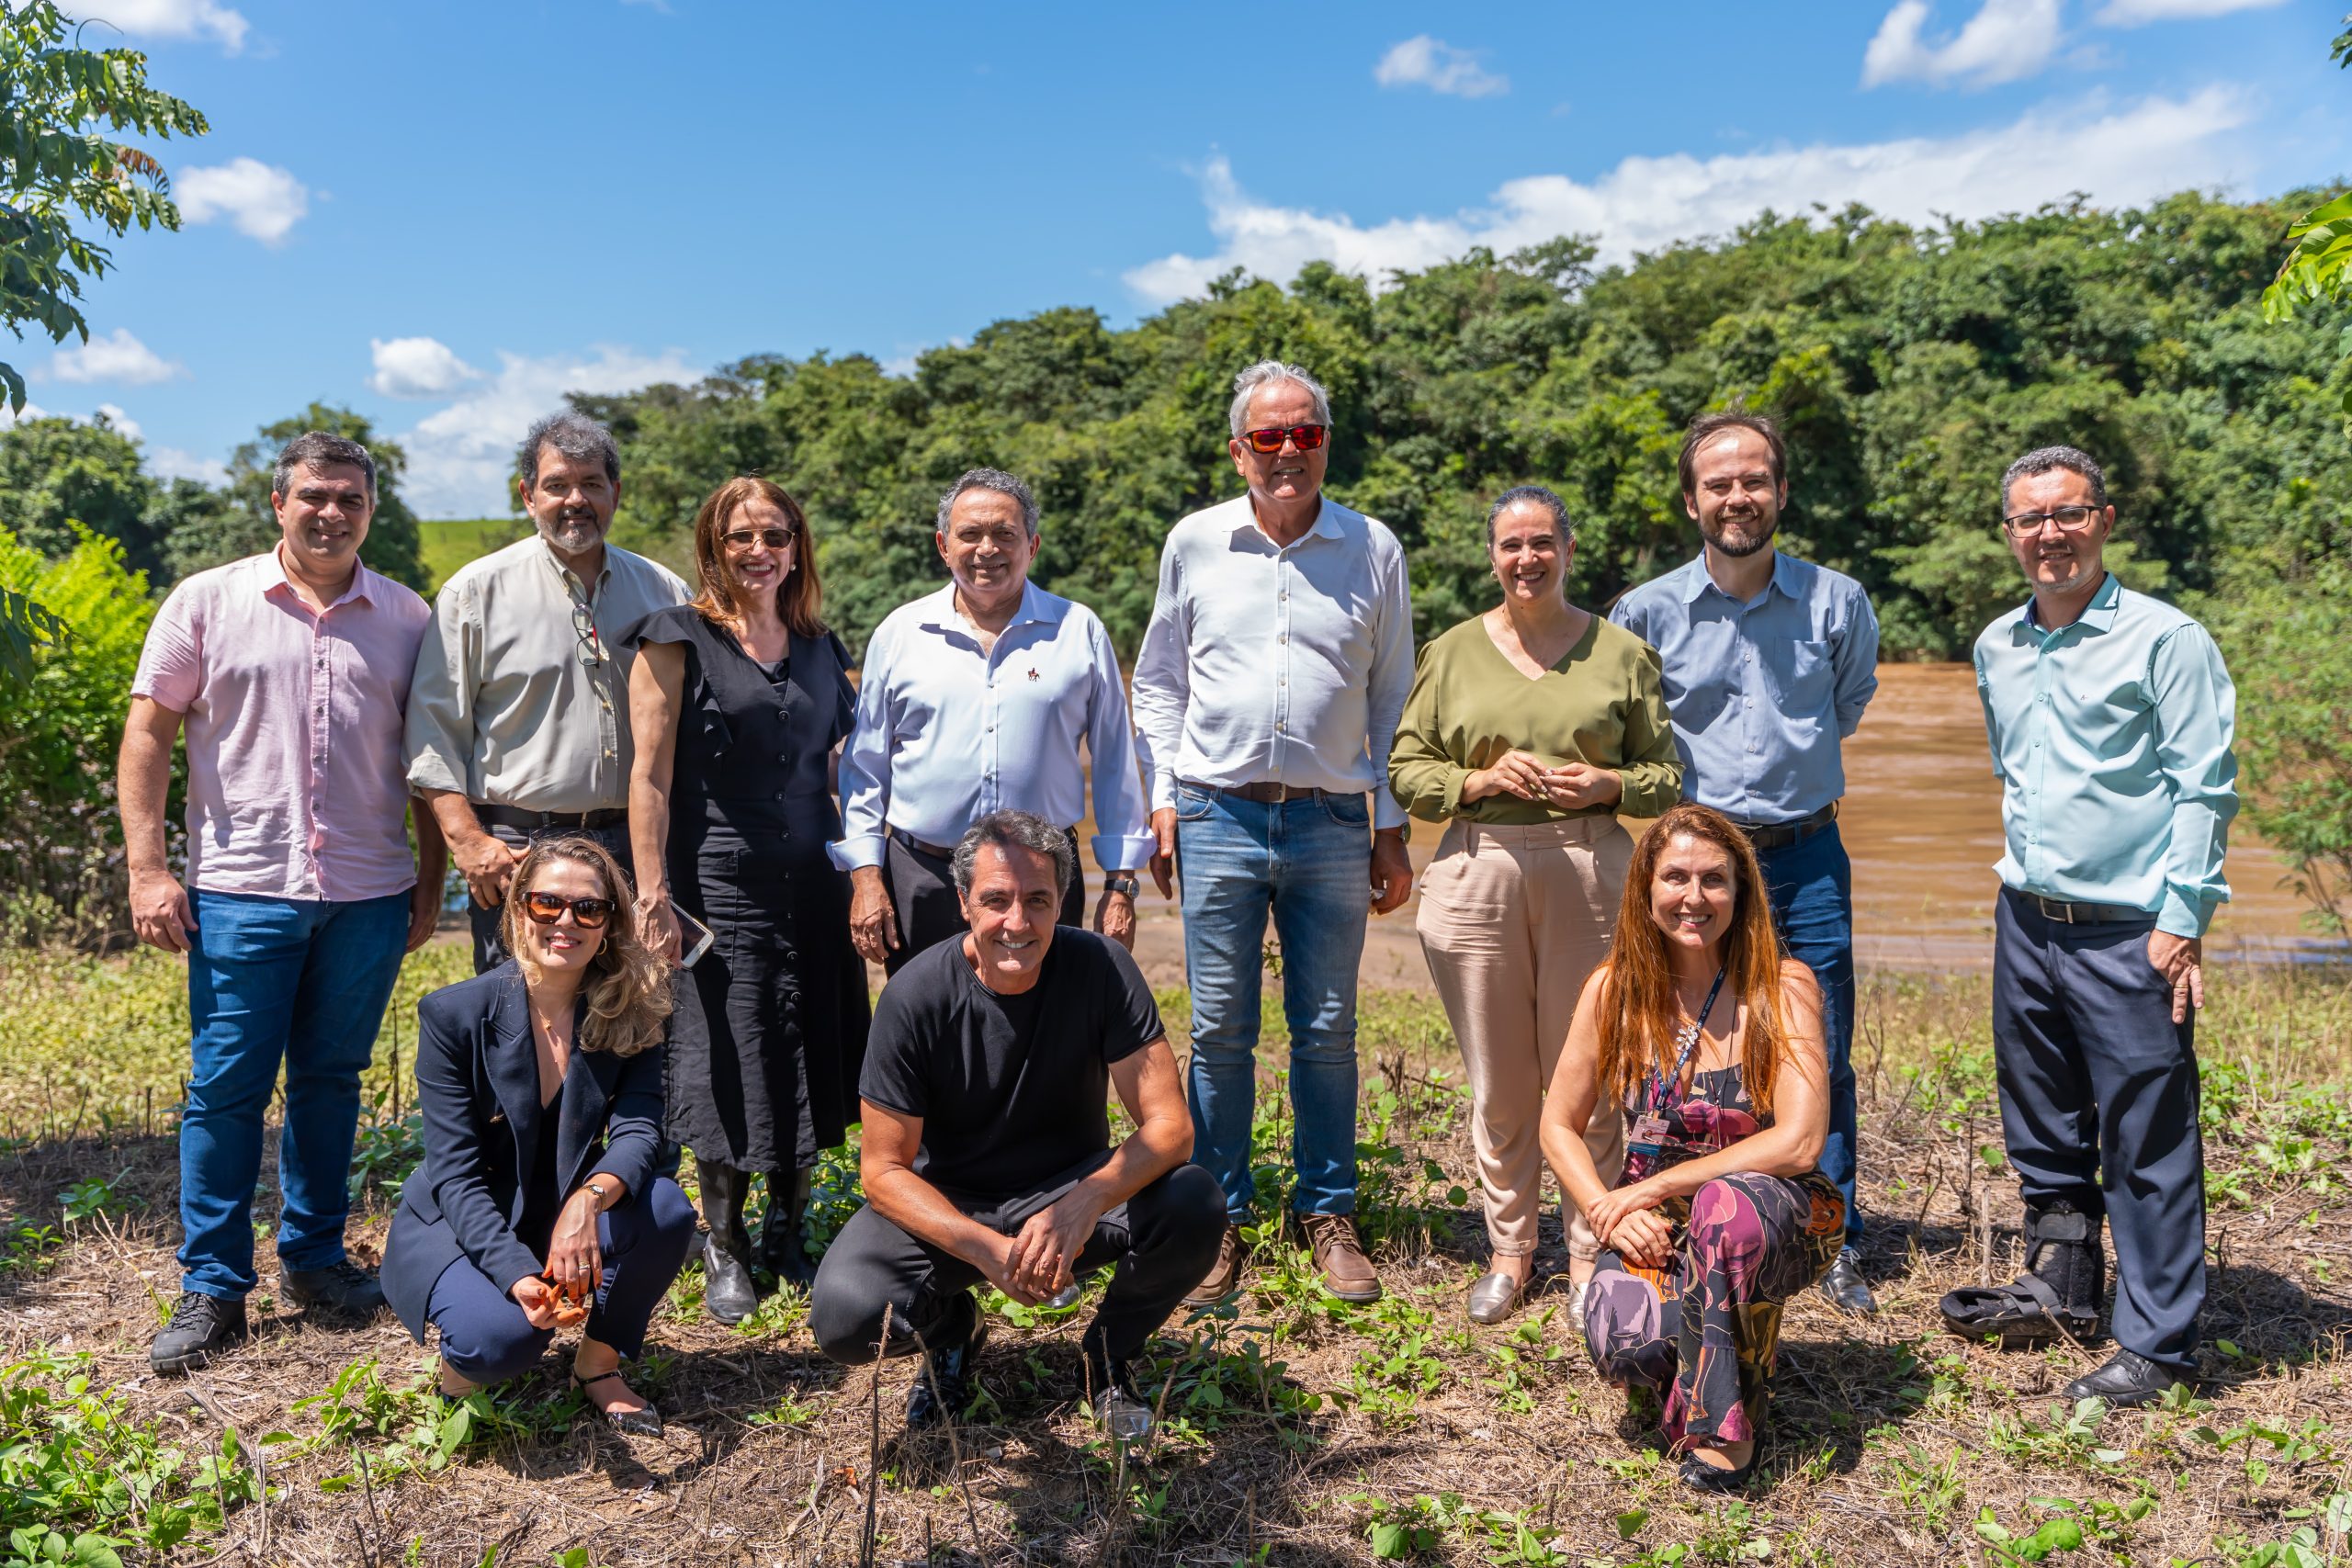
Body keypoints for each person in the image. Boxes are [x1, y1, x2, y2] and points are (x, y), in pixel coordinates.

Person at [119, 432, 443, 1375]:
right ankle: (214, 1286)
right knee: (225, 1090)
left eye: (350, 498)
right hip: (242, 890)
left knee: (331, 1082)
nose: (331, 512)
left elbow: (430, 764)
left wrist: (430, 884)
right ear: (279, 503)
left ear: (371, 510)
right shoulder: (208, 601)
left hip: (368, 893)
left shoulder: (408, 616)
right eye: (314, 495)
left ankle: (314, 1257)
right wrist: (148, 870)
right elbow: (148, 736)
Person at [1939, 446, 2238, 1407]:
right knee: (2043, 1118)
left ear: (2104, 520)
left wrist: (2182, 920)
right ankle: (2062, 1283)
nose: (2050, 534)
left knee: (2147, 1136)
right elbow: (2016, 775)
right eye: (2031, 519)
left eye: (2068, 513)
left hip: (2131, 930)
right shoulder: (1997, 644)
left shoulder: (2166, 639)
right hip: (2027, 918)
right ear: (2009, 534)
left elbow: (2204, 788)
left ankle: (2158, 1346)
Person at [1132, 360, 1415, 1308]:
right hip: (1215, 811)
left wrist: (1390, 825)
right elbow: (1159, 682)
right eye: (1269, 436)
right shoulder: (1194, 542)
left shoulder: (1372, 546)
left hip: (1333, 818)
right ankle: (1217, 1214)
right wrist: (1164, 800)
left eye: (1306, 433)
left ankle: (1327, 1210)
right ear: (1238, 449)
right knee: (1219, 1028)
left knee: (1327, 1028)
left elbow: (1392, 696)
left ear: (1326, 442)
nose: (1288, 450)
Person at [808, 811, 1226, 1437]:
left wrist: (1083, 1203)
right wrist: (986, 1250)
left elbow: (1170, 1127)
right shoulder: (914, 995)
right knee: (845, 1315)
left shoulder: (1102, 967)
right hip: (951, 1201)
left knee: (1194, 1202)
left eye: (1037, 900)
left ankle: (1108, 1356)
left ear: (1061, 901)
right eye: (996, 900)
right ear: (963, 902)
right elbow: (883, 1171)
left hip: (1070, 1186)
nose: (1017, 922)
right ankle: (954, 1332)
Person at [1610, 411, 1881, 1316]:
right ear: (1691, 501)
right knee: (1685, 1042)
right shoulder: (1644, 613)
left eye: (1754, 480)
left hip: (1806, 856)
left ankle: (1830, 1234)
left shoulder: (1837, 602)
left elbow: (1846, 705)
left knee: (1822, 1046)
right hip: (1698, 868)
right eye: (1718, 483)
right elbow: (1635, 730)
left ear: (1782, 491)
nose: (1738, 497)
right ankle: (1686, 1209)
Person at [1390, 486, 1682, 1325]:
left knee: (1593, 1076)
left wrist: (1609, 784)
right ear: (1492, 556)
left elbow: (1666, 776)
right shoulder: (1450, 652)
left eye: (1543, 542)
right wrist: (1474, 779)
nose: (1528, 558)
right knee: (1501, 1081)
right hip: (1477, 867)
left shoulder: (1622, 652)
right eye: (1512, 545)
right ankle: (1510, 1251)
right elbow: (1407, 768)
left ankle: (1593, 1251)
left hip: (1592, 870)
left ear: (1569, 549)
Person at [1540, 804, 1844, 1492]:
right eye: (1676, 877)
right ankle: (1722, 1345)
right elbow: (1556, 1124)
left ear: (1740, 891)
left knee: (1725, 1209)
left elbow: (1799, 1142)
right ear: (1646, 889)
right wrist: (1609, 1210)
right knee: (1626, 1343)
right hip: (1657, 1218)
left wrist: (1652, 1187)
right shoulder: (1614, 990)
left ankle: (1725, 1436)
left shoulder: (1783, 987)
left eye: (1714, 879)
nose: (1694, 897)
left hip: (1776, 1208)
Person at [627, 477, 869, 1322]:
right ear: (714, 547)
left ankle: (787, 1234)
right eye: (741, 536)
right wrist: (652, 892)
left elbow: (846, 765)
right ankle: (725, 1244)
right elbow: (648, 778)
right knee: (725, 1053)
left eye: (775, 534)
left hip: (814, 884)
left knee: (806, 1046)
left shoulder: (819, 645)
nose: (759, 550)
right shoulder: (675, 636)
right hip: (715, 884)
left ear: (796, 548)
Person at [381, 836, 695, 1437]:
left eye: (588, 908)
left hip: (560, 1209)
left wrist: (589, 1201)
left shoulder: (632, 1008)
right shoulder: (453, 1014)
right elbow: (455, 1174)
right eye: (548, 903)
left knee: (665, 1208)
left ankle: (597, 1366)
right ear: (520, 909)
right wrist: (514, 1272)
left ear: (610, 924)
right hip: (463, 1217)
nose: (566, 921)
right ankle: (458, 1378)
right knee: (502, 1341)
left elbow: (639, 1131)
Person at [833, 468, 1153, 972]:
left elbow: (1116, 762)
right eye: (970, 534)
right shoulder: (900, 634)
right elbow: (865, 768)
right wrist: (866, 875)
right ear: (943, 545)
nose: (987, 548)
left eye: (1005, 533)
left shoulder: (1078, 631)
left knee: (1043, 1016)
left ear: (1033, 546)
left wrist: (1120, 883)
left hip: (1043, 880)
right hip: (924, 877)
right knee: (925, 1014)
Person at [406, 412, 689, 973]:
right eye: (557, 485)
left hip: (636, 852)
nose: (575, 500)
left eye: (592, 484)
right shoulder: (474, 592)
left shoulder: (665, 592)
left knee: (637, 1009)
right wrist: (468, 841)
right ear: (528, 495)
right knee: (520, 1009)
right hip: (518, 850)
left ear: (616, 493)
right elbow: (431, 734)